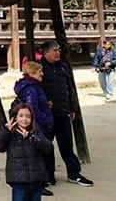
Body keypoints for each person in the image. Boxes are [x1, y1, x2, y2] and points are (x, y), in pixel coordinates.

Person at [39, 40, 93, 187]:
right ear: (46, 53)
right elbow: (34, 89)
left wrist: (72, 107)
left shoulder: (63, 67)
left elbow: (70, 89)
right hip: (46, 116)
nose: (58, 53)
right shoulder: (40, 68)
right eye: (55, 50)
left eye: (59, 50)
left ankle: (74, 173)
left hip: (63, 113)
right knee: (46, 147)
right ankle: (48, 176)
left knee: (67, 146)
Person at [0, 103, 54, 201]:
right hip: (18, 179)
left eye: (28, 116)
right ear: (14, 117)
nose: (24, 119)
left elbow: (48, 148)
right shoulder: (11, 134)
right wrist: (5, 130)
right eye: (21, 116)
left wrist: (32, 138)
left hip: (36, 179)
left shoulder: (35, 132)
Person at [13, 61, 55, 196]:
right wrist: (46, 120)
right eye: (39, 71)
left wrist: (45, 105)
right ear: (31, 73)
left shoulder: (31, 86)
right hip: (39, 125)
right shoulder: (31, 88)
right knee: (39, 155)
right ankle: (39, 183)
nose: (42, 74)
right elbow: (33, 109)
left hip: (39, 123)